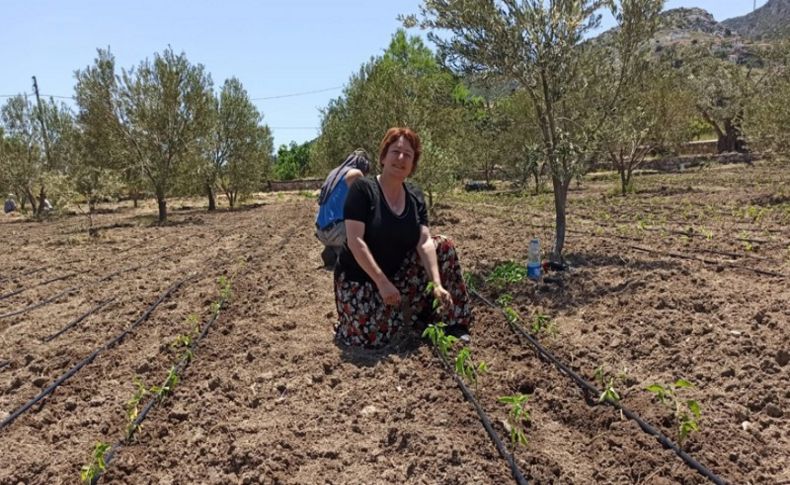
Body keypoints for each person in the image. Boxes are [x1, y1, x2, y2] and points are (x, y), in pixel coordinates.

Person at [333, 127, 473, 348]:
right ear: (383, 157)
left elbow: (424, 241)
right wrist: (382, 283)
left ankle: (452, 321)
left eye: (408, 154)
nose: (401, 158)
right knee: (374, 340)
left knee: (443, 245)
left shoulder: (415, 195)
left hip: (397, 274)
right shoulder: (363, 189)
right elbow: (355, 240)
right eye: (395, 151)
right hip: (360, 279)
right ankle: (399, 316)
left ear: (413, 164)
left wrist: (436, 283)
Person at [315, 149, 371, 267]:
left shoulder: (334, 172)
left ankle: (335, 250)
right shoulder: (356, 174)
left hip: (320, 231)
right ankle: (345, 253)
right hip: (336, 232)